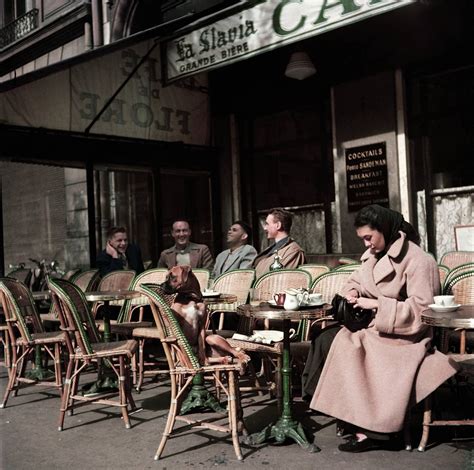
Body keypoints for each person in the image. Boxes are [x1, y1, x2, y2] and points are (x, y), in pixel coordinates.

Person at [303, 204, 458, 452]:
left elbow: (422, 312)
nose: (366, 244)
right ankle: (351, 416)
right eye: (362, 238)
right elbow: (356, 280)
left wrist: (376, 304)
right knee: (324, 337)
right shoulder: (375, 255)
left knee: (345, 345)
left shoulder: (419, 261)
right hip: (379, 329)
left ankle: (376, 432)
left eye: (368, 237)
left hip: (405, 337)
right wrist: (352, 292)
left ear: (385, 230)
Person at [252, 208, 306, 278]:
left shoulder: (293, 251)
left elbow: (282, 280)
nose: (265, 228)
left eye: (267, 224)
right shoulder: (273, 248)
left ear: (278, 225)